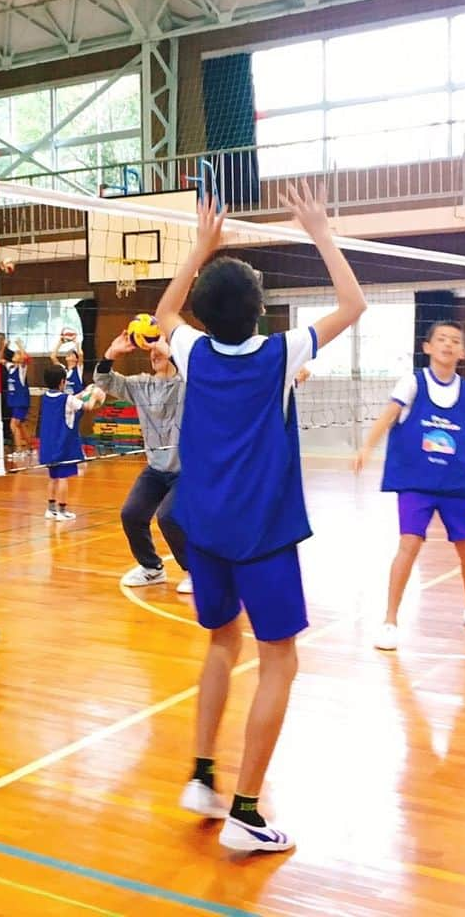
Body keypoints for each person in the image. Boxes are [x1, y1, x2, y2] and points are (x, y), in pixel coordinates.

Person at [156, 181, 366, 853]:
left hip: (204, 530)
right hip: (261, 534)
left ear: (206, 317)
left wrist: (200, 245)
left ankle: (201, 773)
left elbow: (164, 311)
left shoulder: (192, 353)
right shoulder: (282, 354)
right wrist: (320, 231)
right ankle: (245, 812)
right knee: (279, 660)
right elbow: (353, 304)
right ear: (260, 313)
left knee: (222, 641)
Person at [353, 320, 465, 650]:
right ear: (427, 347)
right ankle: (389, 621)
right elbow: (388, 416)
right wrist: (366, 446)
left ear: (463, 352)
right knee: (409, 544)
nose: (448, 344)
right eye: (441, 339)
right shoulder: (412, 383)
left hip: (455, 485)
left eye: (455, 341)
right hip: (416, 483)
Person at [95, 334, 191, 593]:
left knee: (169, 517)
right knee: (132, 514)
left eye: (159, 350)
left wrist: (170, 350)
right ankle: (152, 568)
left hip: (189, 470)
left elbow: (201, 374)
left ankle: (196, 570)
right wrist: (111, 354)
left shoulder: (187, 382)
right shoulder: (141, 385)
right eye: (151, 351)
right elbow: (104, 380)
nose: (154, 353)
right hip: (157, 468)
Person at [38, 363, 99, 521]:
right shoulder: (67, 399)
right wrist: (94, 395)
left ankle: (50, 510)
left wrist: (83, 392)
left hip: (49, 446)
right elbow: (87, 407)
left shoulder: (45, 397)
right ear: (62, 382)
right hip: (63, 446)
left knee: (53, 477)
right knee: (63, 478)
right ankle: (62, 510)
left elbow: (70, 399)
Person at [5, 340, 32, 458]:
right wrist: (4, 346)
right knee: (20, 425)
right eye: (15, 353)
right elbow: (0, 360)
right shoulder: (11, 368)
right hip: (14, 402)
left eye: (17, 354)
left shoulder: (21, 370)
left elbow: (25, 359)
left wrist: (20, 346)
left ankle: (19, 450)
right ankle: (30, 448)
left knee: (13, 425)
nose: (15, 355)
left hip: (21, 402)